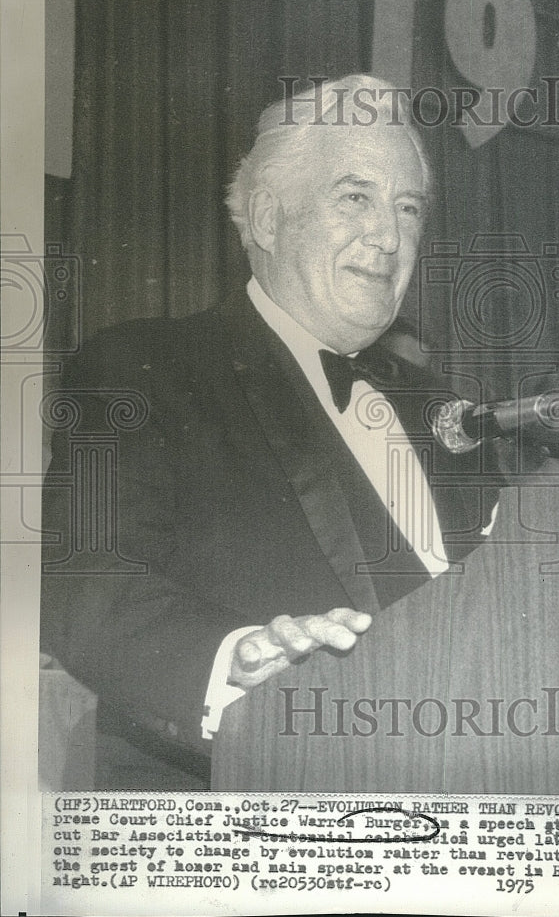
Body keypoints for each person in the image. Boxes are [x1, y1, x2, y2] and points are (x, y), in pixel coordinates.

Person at [40, 76, 490, 787]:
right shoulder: (146, 367)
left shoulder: (444, 411)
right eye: (356, 198)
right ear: (270, 219)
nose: (390, 235)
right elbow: (88, 583)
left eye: (409, 207)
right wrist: (233, 659)